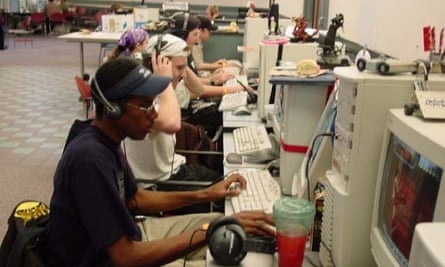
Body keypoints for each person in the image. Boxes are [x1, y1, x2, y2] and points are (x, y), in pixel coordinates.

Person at [44, 57, 275, 266]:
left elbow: (134, 198)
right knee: (221, 241)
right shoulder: (89, 159)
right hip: (107, 259)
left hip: (132, 235)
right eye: (146, 105)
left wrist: (206, 194)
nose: (154, 114)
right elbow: (125, 258)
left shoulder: (106, 139)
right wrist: (210, 231)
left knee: (221, 221)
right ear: (113, 109)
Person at [125, 34, 224, 214]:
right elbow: (173, 124)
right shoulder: (144, 99)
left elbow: (198, 89)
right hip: (160, 185)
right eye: (178, 68)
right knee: (225, 193)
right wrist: (165, 80)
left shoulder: (162, 90)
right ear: (158, 63)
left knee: (225, 176)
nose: (182, 73)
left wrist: (181, 68)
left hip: (176, 171)